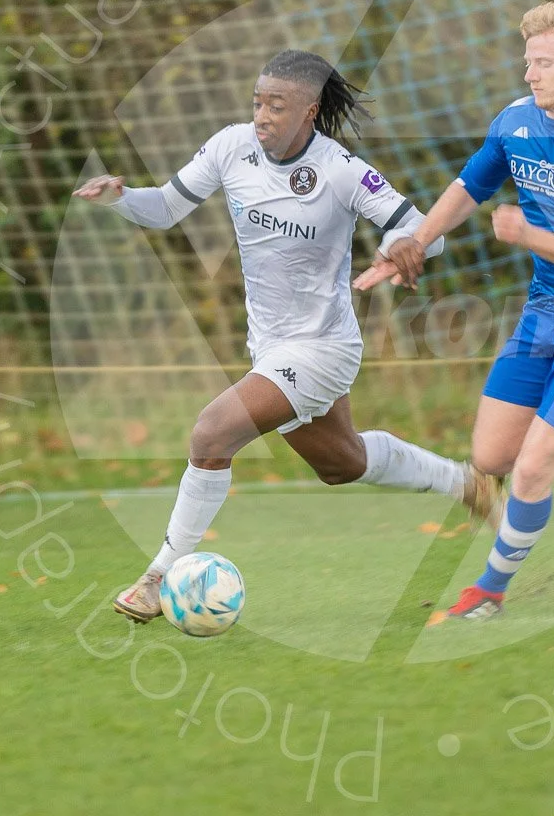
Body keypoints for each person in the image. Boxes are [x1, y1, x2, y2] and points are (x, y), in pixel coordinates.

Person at [74, 49, 504, 625]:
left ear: (310, 109)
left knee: (212, 431)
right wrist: (122, 199)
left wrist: (409, 243)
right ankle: (464, 483)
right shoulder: (231, 147)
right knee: (341, 464)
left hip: (324, 348)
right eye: (257, 102)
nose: (262, 115)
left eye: (277, 105)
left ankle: (156, 577)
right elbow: (167, 208)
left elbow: (424, 229)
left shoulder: (342, 170)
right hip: (271, 347)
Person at [356, 0, 554, 623]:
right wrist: (411, 246)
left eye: (543, 62)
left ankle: (490, 588)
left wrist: (529, 236)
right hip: (543, 315)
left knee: (532, 469)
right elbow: (468, 187)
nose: (530, 74)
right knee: (490, 461)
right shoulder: (514, 122)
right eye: (526, 61)